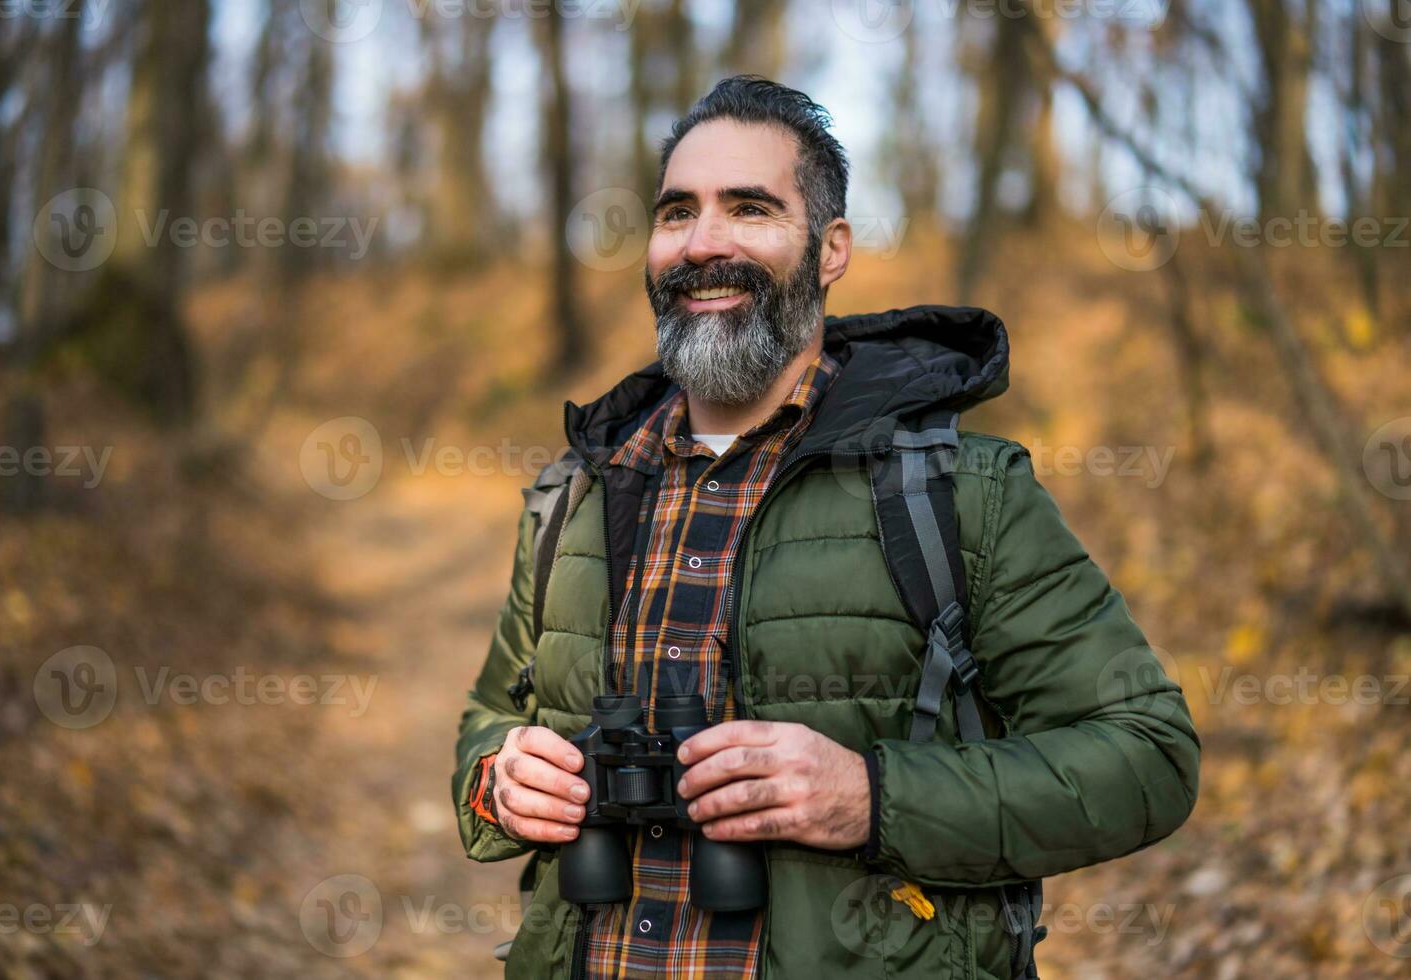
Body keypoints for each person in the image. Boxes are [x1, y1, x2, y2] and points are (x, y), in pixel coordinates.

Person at [453, 75, 1198, 979]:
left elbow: (1149, 756)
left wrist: (873, 797)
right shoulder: (572, 493)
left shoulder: (958, 493)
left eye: (752, 209)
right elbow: (493, 715)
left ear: (831, 248)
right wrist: (497, 779)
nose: (704, 244)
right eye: (677, 211)